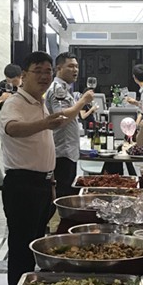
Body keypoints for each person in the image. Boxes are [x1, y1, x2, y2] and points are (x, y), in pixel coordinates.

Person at [0, 51, 69, 285]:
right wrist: (45, 124)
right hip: (22, 184)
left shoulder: (40, 101)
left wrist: (51, 182)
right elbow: (12, 128)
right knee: (21, 249)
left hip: (42, 184)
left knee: (35, 245)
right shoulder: (15, 103)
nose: (44, 76)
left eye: (48, 71)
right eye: (37, 71)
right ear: (24, 75)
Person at [46, 53, 96, 198]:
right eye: (71, 66)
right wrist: (83, 101)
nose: (75, 70)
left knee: (68, 191)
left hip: (68, 150)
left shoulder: (65, 89)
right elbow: (61, 118)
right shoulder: (58, 89)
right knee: (63, 194)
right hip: (62, 151)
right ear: (58, 68)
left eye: (77, 66)